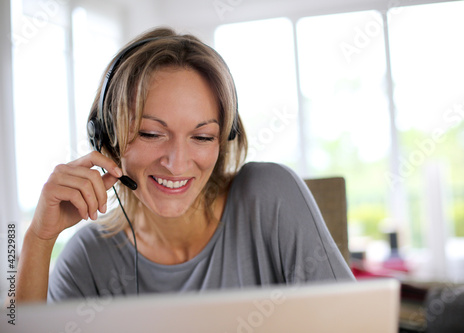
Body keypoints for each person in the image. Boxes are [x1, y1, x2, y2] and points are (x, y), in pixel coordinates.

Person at [15, 27, 354, 303]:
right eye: (151, 133)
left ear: (224, 139)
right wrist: (37, 240)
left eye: (202, 137)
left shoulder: (269, 196)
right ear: (107, 136)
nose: (177, 164)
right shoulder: (88, 259)